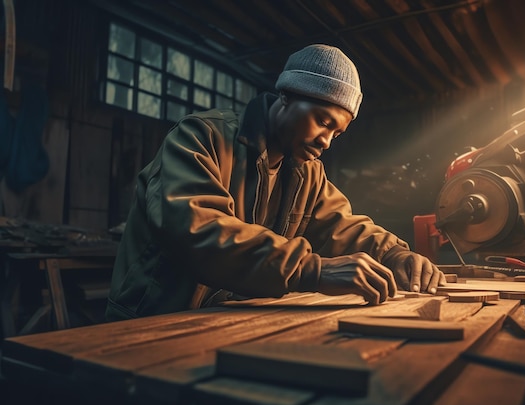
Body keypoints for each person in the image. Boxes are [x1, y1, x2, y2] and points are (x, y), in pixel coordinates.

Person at [105, 44, 446, 321]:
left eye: (337, 132)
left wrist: (395, 254)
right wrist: (311, 270)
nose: (326, 141)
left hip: (222, 319)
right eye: (322, 121)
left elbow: (342, 225)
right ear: (286, 96)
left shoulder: (306, 172)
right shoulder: (201, 137)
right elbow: (198, 231)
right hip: (153, 318)